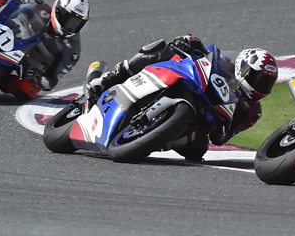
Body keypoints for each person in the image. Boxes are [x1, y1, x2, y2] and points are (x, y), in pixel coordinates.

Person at [86, 35, 277, 160]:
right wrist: (190, 42)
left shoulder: (252, 112)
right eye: (257, 79)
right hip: (191, 82)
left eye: (265, 84)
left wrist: (228, 126)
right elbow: (203, 51)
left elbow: (220, 138)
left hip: (203, 117)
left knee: (198, 151)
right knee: (163, 49)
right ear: (243, 68)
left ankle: (153, 137)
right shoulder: (227, 63)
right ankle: (107, 78)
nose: (260, 87)